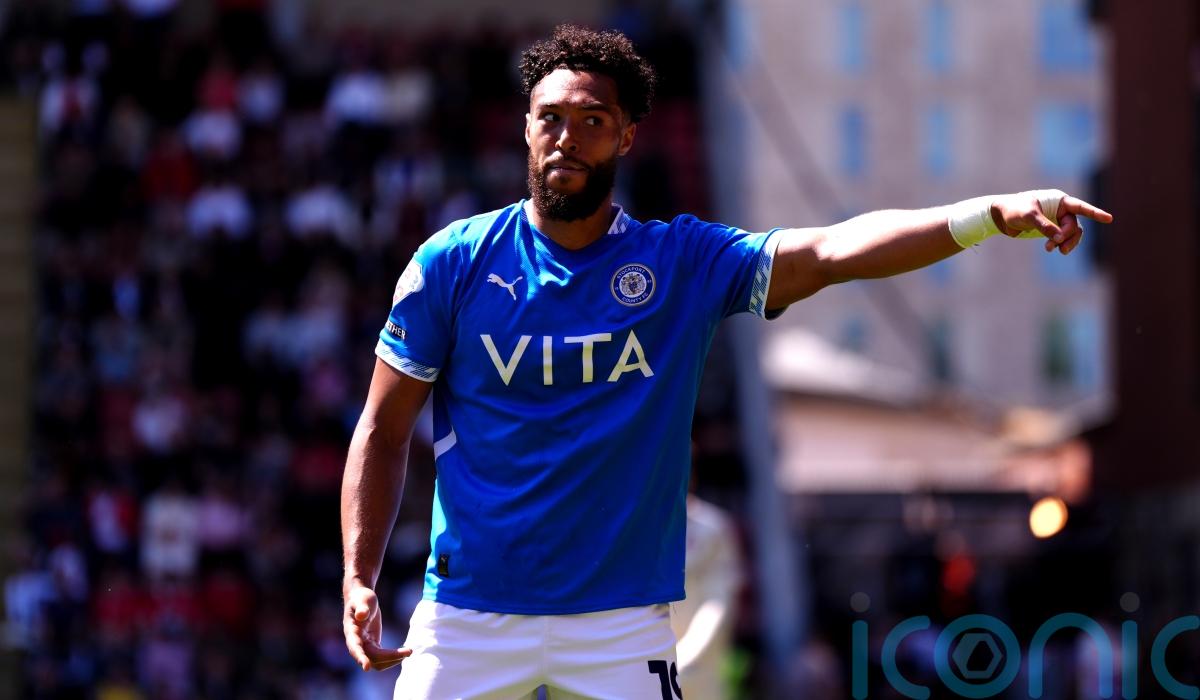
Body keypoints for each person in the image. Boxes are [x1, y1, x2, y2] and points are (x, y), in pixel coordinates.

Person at [340, 24, 1112, 699]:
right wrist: (359, 574)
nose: (568, 137)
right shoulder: (451, 263)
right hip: (469, 617)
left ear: (627, 136)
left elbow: (831, 250)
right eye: (551, 119)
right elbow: (382, 427)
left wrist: (986, 216)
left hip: (620, 626)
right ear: (526, 129)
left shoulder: (682, 262)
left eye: (592, 120)